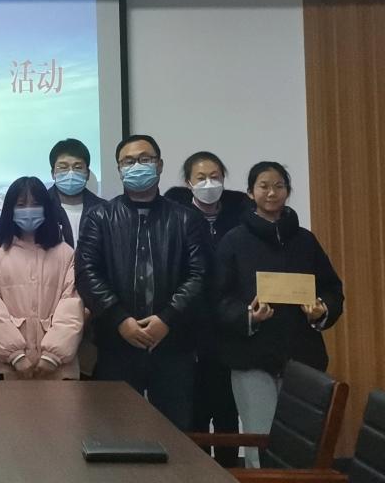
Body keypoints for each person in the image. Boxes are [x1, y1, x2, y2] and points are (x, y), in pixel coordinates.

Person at [214, 161, 344, 468]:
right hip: (251, 357)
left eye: (279, 186)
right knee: (260, 441)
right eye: (263, 186)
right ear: (250, 192)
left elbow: (332, 288)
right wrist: (248, 315)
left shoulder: (305, 240)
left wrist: (321, 310)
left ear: (287, 191)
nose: (271, 192)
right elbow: (218, 298)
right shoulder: (234, 240)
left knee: (302, 441)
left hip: (302, 358)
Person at [75, 134, 208, 430]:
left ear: (159, 165)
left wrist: (167, 318)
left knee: (175, 434)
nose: (137, 166)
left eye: (145, 159)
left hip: (174, 344)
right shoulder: (100, 217)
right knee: (115, 432)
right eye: (128, 161)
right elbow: (86, 272)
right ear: (119, 169)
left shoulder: (187, 219)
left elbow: (199, 275)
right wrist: (120, 319)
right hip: (116, 344)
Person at [165, 151, 248, 466]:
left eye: (215, 176)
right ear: (188, 183)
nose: (209, 183)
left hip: (232, 330)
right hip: (188, 332)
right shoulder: (176, 218)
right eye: (200, 178)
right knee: (194, 412)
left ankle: (230, 472)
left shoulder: (241, 216)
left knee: (228, 411)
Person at [0, 176, 85, 380]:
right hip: (5, 368)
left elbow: (72, 306)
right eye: (21, 205)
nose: (28, 210)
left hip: (57, 368)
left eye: (35, 204)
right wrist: (15, 355)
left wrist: (53, 355)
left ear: (46, 208)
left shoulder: (65, 253)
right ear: (9, 209)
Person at [47, 138, 105, 247]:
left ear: (87, 174)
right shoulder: (42, 206)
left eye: (78, 167)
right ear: (52, 173)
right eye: (63, 167)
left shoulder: (104, 210)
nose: (71, 173)